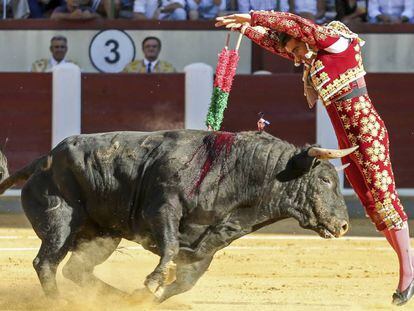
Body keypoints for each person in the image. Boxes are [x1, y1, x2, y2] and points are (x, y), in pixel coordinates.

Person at [216, 11, 414, 306]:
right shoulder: (314, 56)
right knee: (373, 205)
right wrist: (249, 27)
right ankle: (407, 268)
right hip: (348, 138)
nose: (295, 57)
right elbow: (279, 41)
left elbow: (296, 26)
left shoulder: (334, 42)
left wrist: (255, 16)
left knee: (385, 198)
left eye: (297, 48)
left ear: (306, 39)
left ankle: (408, 274)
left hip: (366, 130)